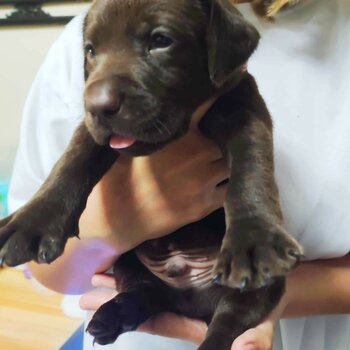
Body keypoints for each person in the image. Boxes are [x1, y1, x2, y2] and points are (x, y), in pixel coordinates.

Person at [7, 0, 350, 349]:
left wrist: (283, 295)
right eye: (92, 52)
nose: (99, 95)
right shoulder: (93, 27)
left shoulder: (333, 35)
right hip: (143, 296)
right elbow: (41, 264)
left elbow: (248, 138)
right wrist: (119, 221)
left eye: (160, 40)